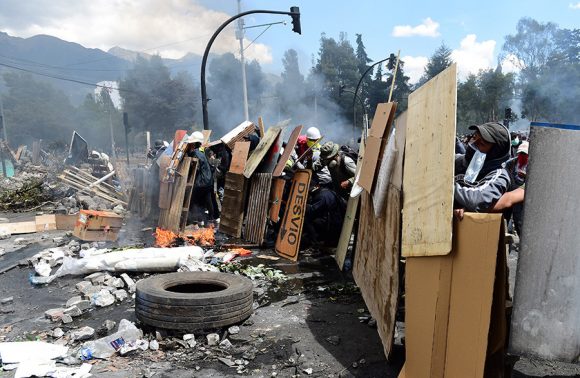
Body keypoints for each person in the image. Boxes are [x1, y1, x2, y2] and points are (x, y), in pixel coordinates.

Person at [454, 122, 512, 219]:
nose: (473, 144)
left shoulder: (499, 176)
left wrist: (446, 186)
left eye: (481, 143)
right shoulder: (457, 161)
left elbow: (475, 200)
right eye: (474, 137)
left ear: (495, 152)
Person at [303, 168, 347, 247]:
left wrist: (303, 205)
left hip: (332, 224)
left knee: (307, 218)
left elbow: (312, 210)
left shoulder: (321, 196)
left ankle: (315, 243)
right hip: (338, 220)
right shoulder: (326, 191)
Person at [187, 131, 217, 225]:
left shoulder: (195, 153)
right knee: (208, 200)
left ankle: (195, 221)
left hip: (201, 182)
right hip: (208, 181)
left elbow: (196, 167)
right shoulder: (201, 153)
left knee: (194, 200)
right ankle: (211, 220)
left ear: (194, 143)